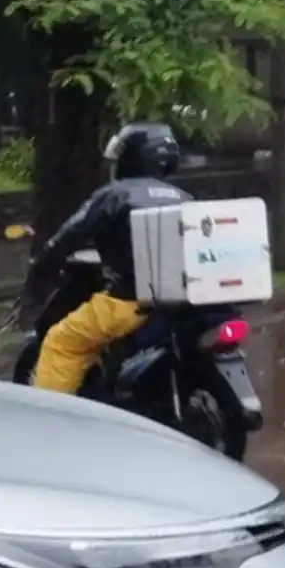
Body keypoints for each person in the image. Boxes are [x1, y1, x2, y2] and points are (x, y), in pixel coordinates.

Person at [29, 122, 190, 393]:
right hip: (181, 302)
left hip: (129, 302)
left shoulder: (115, 195)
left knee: (61, 343)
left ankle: (47, 417)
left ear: (131, 157)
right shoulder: (184, 198)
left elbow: (73, 233)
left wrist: (44, 262)